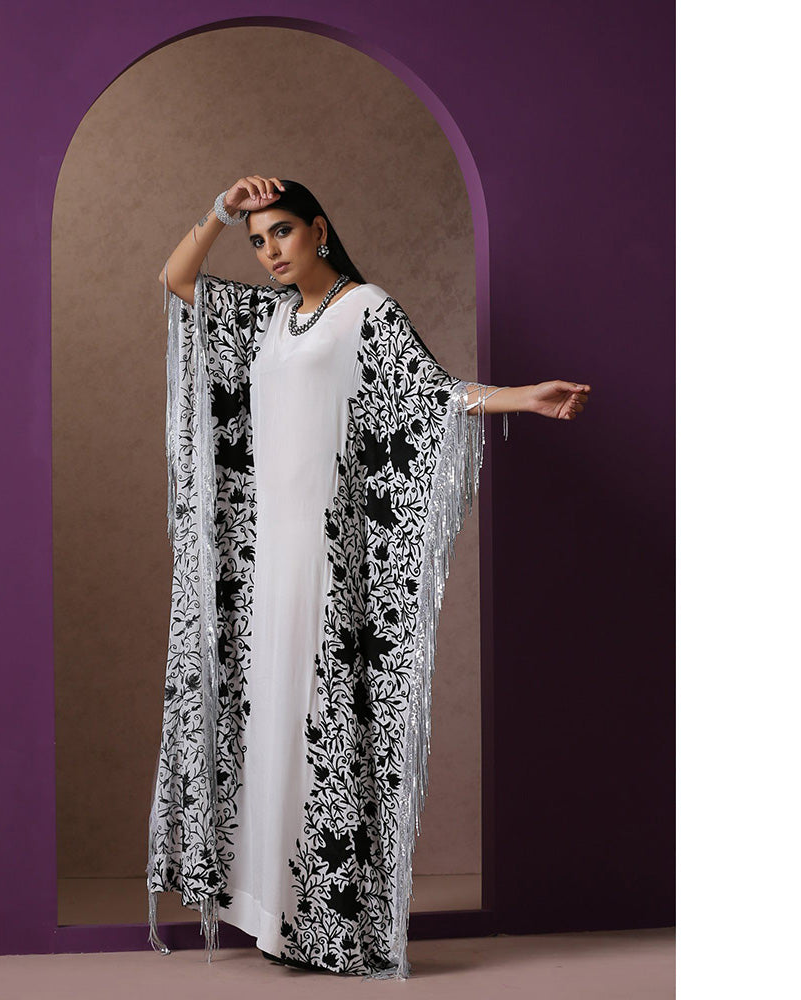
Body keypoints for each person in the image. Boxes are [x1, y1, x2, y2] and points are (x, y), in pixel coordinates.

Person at [146, 176, 591, 980]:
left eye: (282, 232)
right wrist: (219, 211)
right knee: (272, 723)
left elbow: (432, 392)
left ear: (319, 229)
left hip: (323, 554)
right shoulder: (268, 316)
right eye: (257, 241)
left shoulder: (366, 309)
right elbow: (178, 279)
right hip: (265, 559)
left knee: (320, 728)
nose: (270, 251)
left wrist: (524, 398)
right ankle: (277, 917)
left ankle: (330, 921)